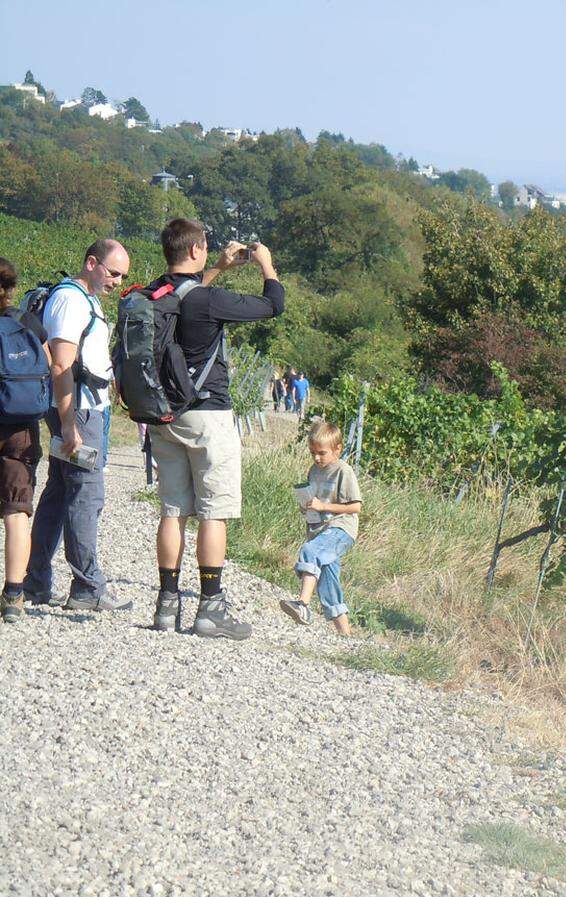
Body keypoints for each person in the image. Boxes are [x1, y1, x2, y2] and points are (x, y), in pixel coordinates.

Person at [146, 219, 284, 639]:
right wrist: (267, 266)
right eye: (205, 248)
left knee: (173, 509)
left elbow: (190, 292)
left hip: (164, 414)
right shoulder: (209, 300)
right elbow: (272, 306)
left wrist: (220, 267)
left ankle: (166, 606)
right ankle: (211, 608)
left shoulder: (155, 293)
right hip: (208, 415)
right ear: (194, 250)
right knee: (213, 510)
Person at [25, 239, 128, 612]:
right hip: (79, 412)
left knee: (57, 493)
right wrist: (70, 426)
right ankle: (87, 586)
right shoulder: (70, 300)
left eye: (122, 276)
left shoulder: (86, 299)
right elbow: (61, 365)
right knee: (86, 495)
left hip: (84, 410)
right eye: (113, 272)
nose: (117, 281)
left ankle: (35, 581)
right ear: (91, 263)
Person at [0, 259, 50, 623]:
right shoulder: (26, 323)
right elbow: (49, 367)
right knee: (17, 512)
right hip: (19, 427)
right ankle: (14, 595)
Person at [279, 421, 361, 636]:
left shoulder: (344, 471)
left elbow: (356, 506)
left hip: (340, 530)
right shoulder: (314, 470)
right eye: (312, 452)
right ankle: (347, 635)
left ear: (338, 449)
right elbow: (316, 499)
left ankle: (302, 605)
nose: (316, 458)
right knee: (328, 581)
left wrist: (324, 506)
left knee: (310, 551)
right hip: (319, 530)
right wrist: (307, 507)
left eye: (322, 453)